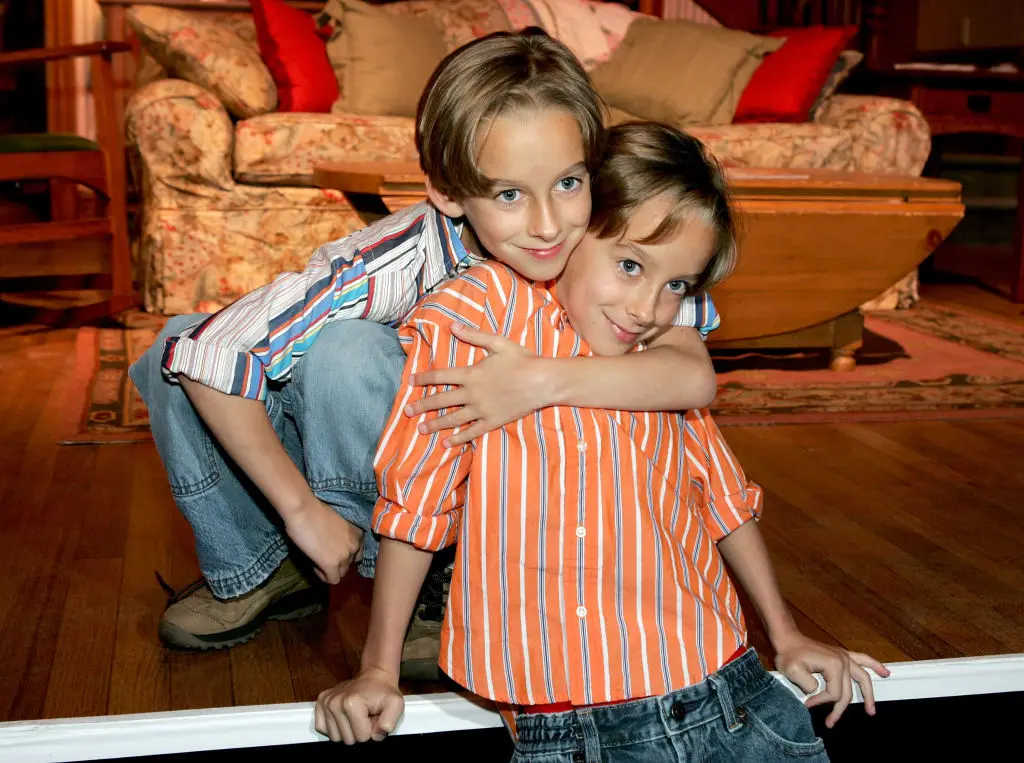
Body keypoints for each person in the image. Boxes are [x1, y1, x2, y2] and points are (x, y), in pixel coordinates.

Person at [128, 29, 720, 657]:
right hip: (395, 469)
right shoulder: (395, 258)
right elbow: (210, 352)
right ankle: (273, 563)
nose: (548, 224)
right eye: (509, 194)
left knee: (343, 354)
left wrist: (542, 378)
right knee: (182, 345)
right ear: (446, 190)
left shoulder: (610, 238)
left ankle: (440, 580)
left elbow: (690, 371)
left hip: (539, 508)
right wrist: (302, 511)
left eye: (569, 183)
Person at [315, 122, 890, 760]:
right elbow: (418, 498)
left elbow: (721, 496)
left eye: (677, 286)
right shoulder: (476, 318)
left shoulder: (654, 353)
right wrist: (379, 668)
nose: (647, 307)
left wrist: (786, 636)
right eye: (630, 265)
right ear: (577, 224)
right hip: (572, 734)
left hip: (731, 694)